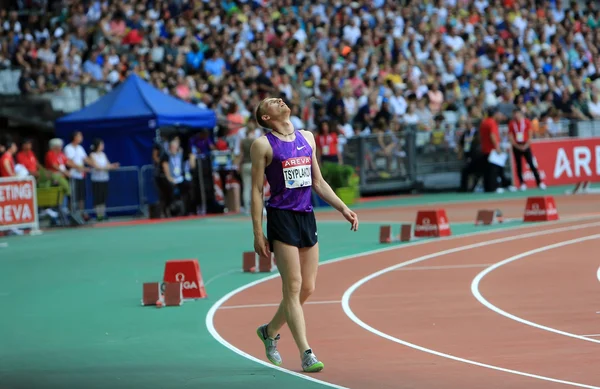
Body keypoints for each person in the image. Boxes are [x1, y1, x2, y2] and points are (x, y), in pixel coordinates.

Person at [250, 97, 359, 373]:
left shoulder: (307, 137)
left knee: (308, 287)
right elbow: (255, 191)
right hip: (281, 217)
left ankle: (270, 330)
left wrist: (343, 208)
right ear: (265, 117)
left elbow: (318, 182)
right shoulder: (263, 145)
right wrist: (257, 232)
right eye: (271, 102)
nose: (279, 100)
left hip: (306, 215)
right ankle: (306, 353)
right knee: (294, 285)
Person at [508, 110, 546, 191]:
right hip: (517, 146)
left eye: (517, 114)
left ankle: (539, 182)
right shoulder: (512, 124)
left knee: (531, 164)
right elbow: (511, 137)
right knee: (518, 166)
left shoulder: (526, 122)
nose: (516, 116)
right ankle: (522, 183)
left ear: (521, 114)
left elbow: (530, 135)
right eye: (514, 114)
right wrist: (517, 146)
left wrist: (525, 146)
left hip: (525, 145)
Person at [479, 108, 515, 193]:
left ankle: (488, 187)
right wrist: (497, 148)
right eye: (499, 114)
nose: (500, 116)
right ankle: (493, 187)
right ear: (495, 114)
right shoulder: (492, 122)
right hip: (491, 150)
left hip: (485, 149)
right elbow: (492, 135)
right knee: (493, 170)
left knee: (487, 171)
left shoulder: (484, 122)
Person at [89, 138, 120, 221]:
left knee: (103, 197)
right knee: (97, 197)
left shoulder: (103, 154)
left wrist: (113, 166)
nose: (103, 146)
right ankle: (98, 214)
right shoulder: (92, 155)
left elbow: (108, 164)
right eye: (101, 144)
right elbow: (97, 166)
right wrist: (106, 167)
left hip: (104, 178)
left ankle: (103, 213)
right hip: (96, 179)